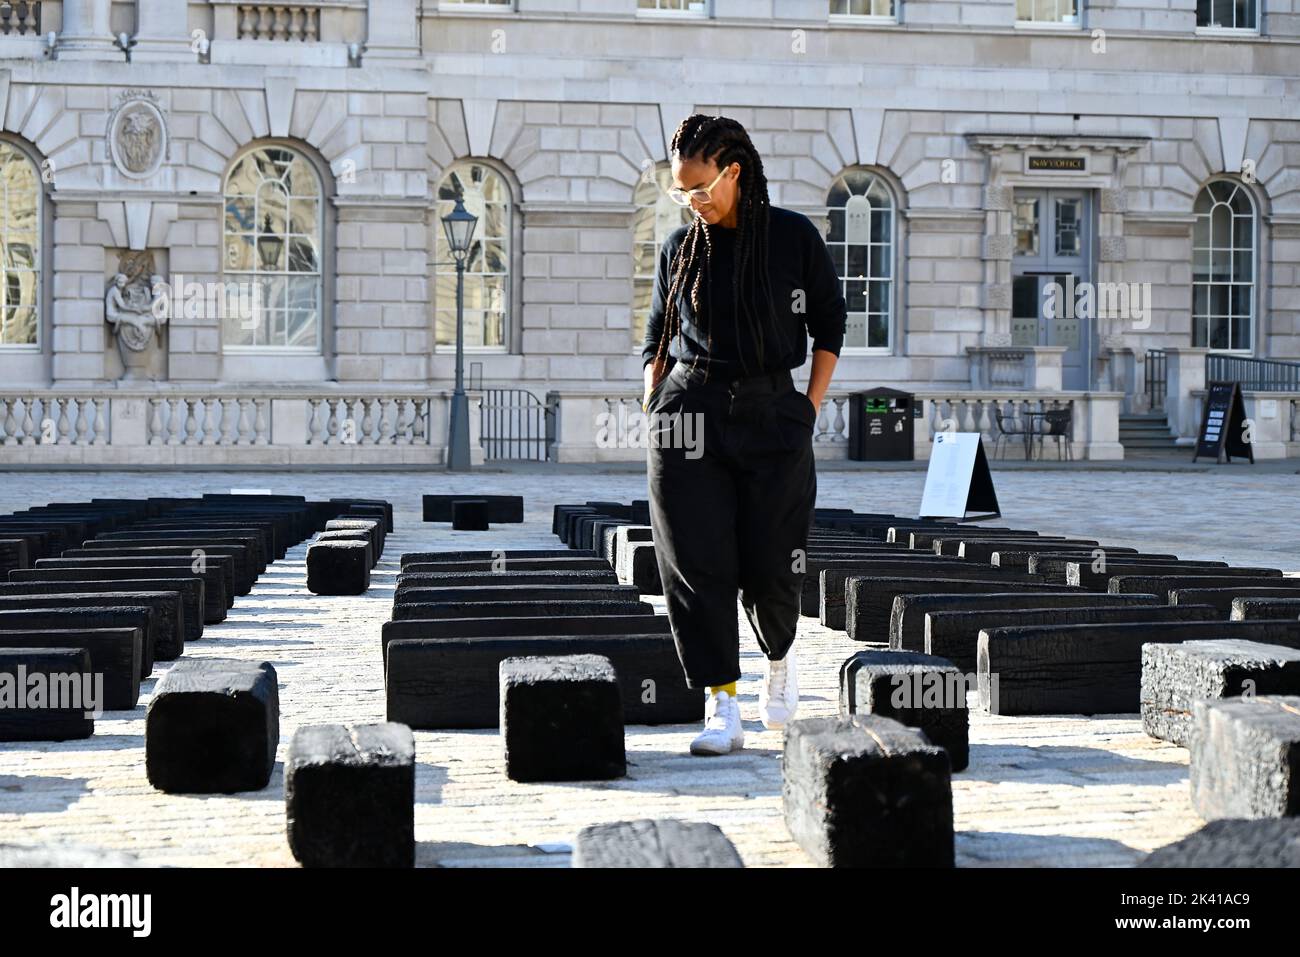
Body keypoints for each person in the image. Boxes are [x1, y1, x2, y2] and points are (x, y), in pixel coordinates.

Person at [640, 114, 847, 756]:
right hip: (688, 414)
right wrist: (654, 402)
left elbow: (829, 326)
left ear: (733, 172)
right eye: (682, 193)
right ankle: (720, 703)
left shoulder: (791, 237)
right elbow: (657, 335)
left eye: (700, 188)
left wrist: (806, 409)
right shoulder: (680, 247)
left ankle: (778, 663)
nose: (692, 202)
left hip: (770, 414)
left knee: (771, 559)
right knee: (695, 563)